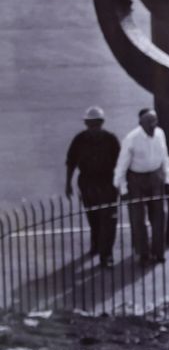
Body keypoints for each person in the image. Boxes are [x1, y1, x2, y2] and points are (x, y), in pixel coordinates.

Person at [113, 107, 169, 265]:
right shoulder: (131, 139)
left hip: (156, 177)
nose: (153, 124)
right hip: (136, 180)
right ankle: (143, 253)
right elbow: (121, 165)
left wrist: (167, 178)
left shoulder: (160, 134)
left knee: (160, 215)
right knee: (138, 218)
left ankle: (159, 252)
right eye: (149, 121)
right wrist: (123, 188)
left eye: (155, 120)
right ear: (141, 123)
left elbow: (165, 157)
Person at [64, 105, 120, 267]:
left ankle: (106, 254)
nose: (93, 127)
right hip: (87, 182)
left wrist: (120, 184)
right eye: (90, 124)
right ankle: (96, 244)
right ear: (86, 124)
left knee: (108, 219)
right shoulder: (79, 139)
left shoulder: (111, 139)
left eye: (96, 124)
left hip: (108, 182)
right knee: (93, 216)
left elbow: (120, 163)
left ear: (102, 123)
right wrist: (68, 184)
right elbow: (71, 162)